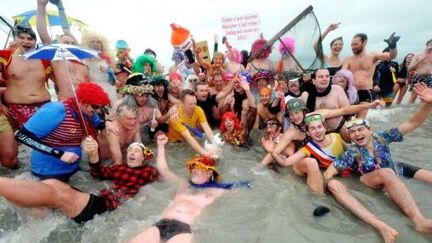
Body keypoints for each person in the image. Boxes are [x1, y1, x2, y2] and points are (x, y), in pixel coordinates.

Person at [323, 93, 432, 242]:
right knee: (386, 173)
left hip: (396, 168)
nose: (356, 134)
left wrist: (428, 104)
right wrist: (331, 191)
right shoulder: (351, 153)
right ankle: (419, 221)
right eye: (352, 132)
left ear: (370, 130)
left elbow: (412, 123)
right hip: (370, 178)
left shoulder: (382, 137)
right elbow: (329, 174)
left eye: (360, 129)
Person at [0, 136, 158, 224]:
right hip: (101, 202)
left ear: (144, 157)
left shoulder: (149, 171)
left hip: (109, 207)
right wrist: (94, 153)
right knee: (51, 183)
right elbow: (98, 173)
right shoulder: (119, 168)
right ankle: (37, 224)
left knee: (54, 191)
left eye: (136, 151)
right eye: (130, 150)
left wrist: (162, 148)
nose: (131, 152)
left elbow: (164, 175)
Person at [129, 134, 247, 243]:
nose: (193, 170)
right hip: (161, 223)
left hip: (183, 229)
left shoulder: (216, 191)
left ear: (209, 173)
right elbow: (164, 170)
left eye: (198, 168)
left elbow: (244, 193)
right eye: (193, 167)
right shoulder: (183, 184)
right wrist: (160, 146)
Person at [15, 82, 109, 181]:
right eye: (95, 106)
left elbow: (99, 125)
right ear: (81, 101)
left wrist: (109, 123)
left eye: (101, 107)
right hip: (48, 170)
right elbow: (22, 136)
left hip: (73, 168)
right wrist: (60, 154)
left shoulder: (89, 113)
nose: (98, 111)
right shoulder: (56, 110)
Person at [0, 23, 53, 129]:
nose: (26, 41)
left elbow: (60, 83)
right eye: (22, 37)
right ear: (15, 38)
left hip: (45, 108)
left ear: (35, 41)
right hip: (16, 109)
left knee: (47, 144)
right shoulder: (5, 56)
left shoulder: (45, 59)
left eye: (30, 38)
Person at [36, 0, 90, 100]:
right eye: (66, 43)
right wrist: (41, 5)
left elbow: (67, 31)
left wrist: (61, 8)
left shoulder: (82, 59)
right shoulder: (58, 59)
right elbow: (42, 32)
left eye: (72, 43)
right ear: (60, 45)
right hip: (67, 103)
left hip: (86, 104)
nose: (70, 45)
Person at [342, 32, 399, 118]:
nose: (353, 47)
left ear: (364, 43)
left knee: (359, 121)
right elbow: (342, 75)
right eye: (352, 45)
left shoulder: (373, 56)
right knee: (348, 120)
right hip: (350, 91)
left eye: (355, 44)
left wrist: (392, 46)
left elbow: (391, 56)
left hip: (365, 92)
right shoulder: (348, 59)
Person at [300, 68, 351, 141]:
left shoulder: (337, 89)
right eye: (321, 77)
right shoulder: (305, 95)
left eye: (327, 76)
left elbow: (348, 112)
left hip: (339, 126)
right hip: (318, 133)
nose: (325, 79)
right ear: (313, 80)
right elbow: (303, 118)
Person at [166, 89, 216, 158]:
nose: (193, 106)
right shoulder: (175, 117)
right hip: (175, 144)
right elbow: (188, 137)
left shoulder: (198, 109)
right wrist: (204, 153)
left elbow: (206, 127)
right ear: (182, 103)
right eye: (190, 104)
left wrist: (215, 142)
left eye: (195, 103)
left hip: (189, 139)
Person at [408, 39, 432, 103]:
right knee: (413, 96)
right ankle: (408, 110)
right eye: (431, 45)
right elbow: (410, 68)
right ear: (427, 46)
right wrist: (421, 60)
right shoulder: (418, 55)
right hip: (418, 76)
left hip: (429, 77)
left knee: (427, 96)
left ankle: (422, 111)